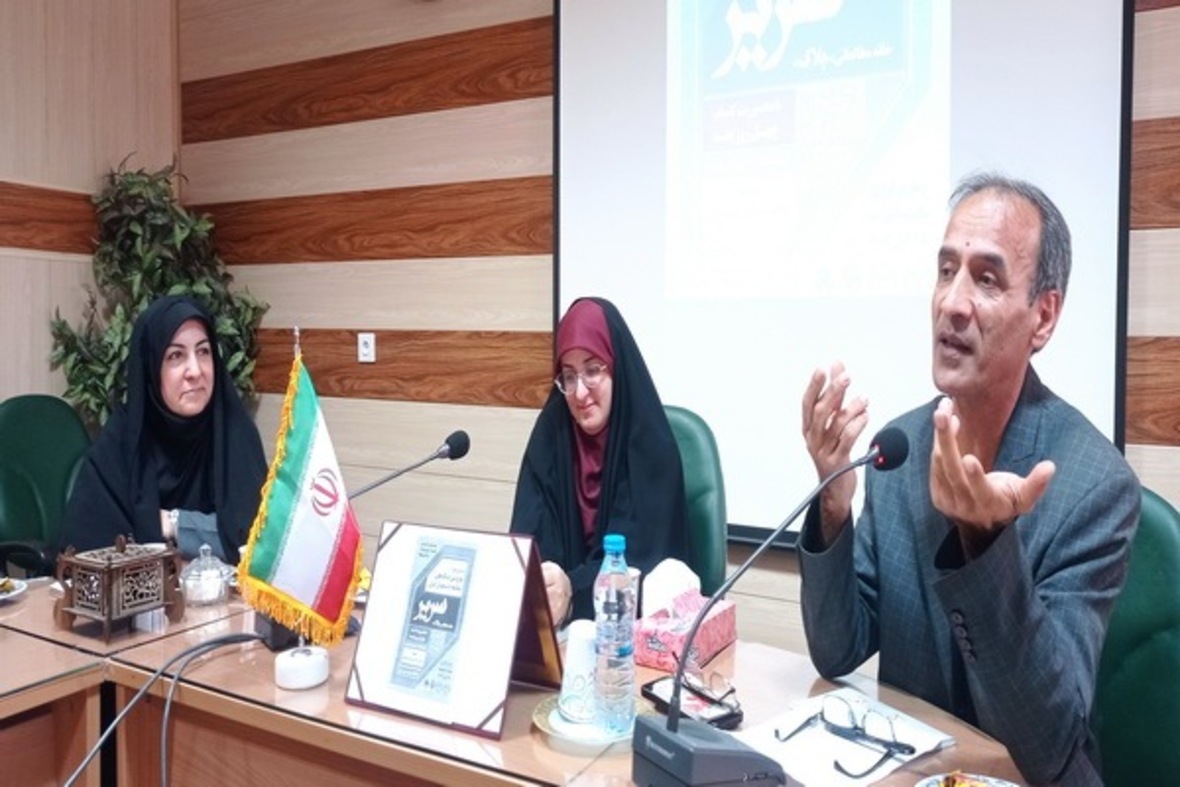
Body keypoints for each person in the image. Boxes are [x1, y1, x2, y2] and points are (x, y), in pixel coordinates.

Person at [797, 173, 1139, 785]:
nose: (952, 303)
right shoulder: (900, 451)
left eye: (986, 279)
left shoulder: (1094, 486)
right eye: (946, 270)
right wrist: (833, 504)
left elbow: (1046, 744)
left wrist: (986, 543)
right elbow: (838, 648)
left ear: (1043, 317)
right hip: (913, 770)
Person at [510, 297, 689, 626]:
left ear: (616, 368)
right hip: (559, 630)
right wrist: (545, 586)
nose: (580, 393)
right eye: (568, 376)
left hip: (632, 633)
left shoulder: (652, 447)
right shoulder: (551, 435)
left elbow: (638, 564)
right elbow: (528, 539)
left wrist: (573, 591)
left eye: (593, 370)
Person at [59, 295, 268, 563]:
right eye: (176, 356)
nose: (195, 371)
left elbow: (257, 540)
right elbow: (88, 554)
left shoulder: (235, 434)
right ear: (151, 368)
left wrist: (173, 523)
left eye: (203, 352)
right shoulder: (120, 446)